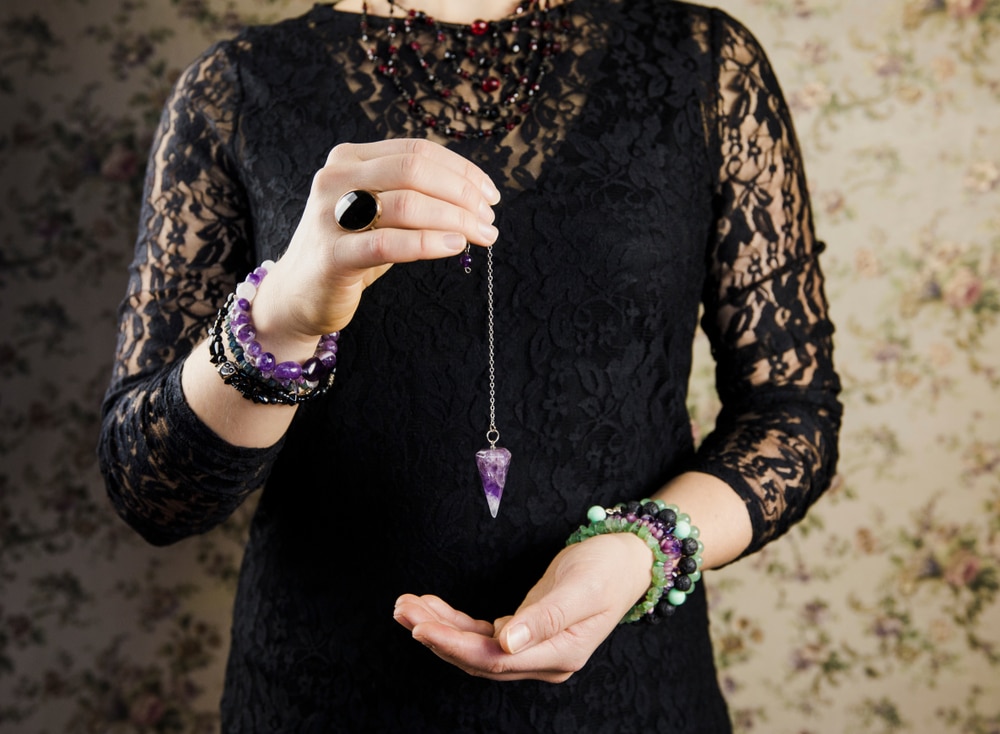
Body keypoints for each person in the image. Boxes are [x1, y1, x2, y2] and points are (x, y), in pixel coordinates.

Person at [98, 0, 841, 730]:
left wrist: (644, 551)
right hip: (325, 697)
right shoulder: (235, 88)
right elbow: (154, 493)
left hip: (631, 697)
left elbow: (792, 410)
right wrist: (283, 317)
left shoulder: (705, 63)